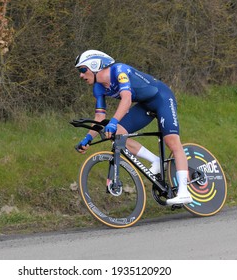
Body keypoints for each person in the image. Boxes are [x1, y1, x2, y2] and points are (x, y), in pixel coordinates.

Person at [74, 50, 192, 205]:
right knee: (118, 135)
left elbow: (127, 99)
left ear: (95, 65)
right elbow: (99, 117)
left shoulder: (119, 71)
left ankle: (184, 192)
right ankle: (156, 161)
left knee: (171, 141)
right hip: (145, 105)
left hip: (162, 98)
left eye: (83, 70)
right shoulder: (98, 88)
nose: (81, 75)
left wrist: (114, 121)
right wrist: (87, 138)